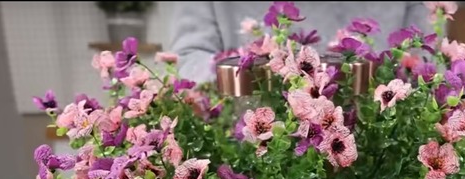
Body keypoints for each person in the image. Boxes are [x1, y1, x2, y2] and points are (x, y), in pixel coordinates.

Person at [169, 1, 432, 84]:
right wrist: (262, 80)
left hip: (377, 161)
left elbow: (424, 68)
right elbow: (189, 59)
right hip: (249, 155)